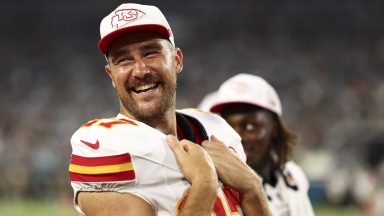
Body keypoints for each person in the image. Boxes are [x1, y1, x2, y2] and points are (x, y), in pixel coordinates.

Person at [68, 3, 271, 216]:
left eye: (150, 53)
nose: (140, 70)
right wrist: (204, 184)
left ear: (177, 60)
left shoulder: (219, 130)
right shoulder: (103, 146)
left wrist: (252, 188)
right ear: (111, 75)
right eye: (124, 60)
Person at [203, 73, 315, 216]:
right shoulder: (216, 190)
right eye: (227, 126)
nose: (236, 137)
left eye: (249, 126)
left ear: (274, 127)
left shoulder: (293, 174)